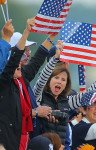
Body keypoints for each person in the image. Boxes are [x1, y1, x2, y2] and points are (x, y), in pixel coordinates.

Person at [32, 40, 96, 145]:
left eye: (63, 80)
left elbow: (91, 94)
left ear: (66, 84)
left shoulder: (68, 101)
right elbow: (42, 79)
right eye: (56, 78)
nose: (60, 82)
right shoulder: (38, 96)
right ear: (49, 80)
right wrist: (55, 58)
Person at [0, 17, 57, 150]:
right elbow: (13, 60)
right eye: (22, 56)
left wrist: (51, 37)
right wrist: (26, 31)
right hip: (7, 139)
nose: (21, 62)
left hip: (22, 136)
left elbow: (37, 60)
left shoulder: (21, 78)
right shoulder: (4, 83)